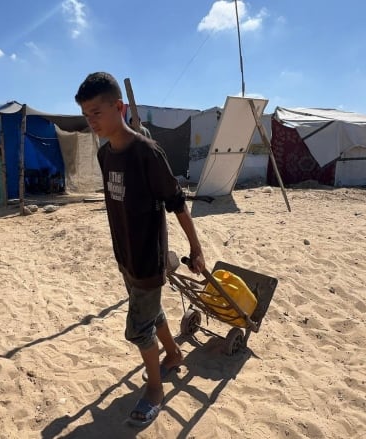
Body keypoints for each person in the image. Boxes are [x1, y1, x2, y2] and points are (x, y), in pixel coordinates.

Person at [74, 72, 206, 427]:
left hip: (149, 258)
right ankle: (174, 353)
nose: (92, 121)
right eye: (86, 115)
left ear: (120, 107)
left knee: (137, 329)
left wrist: (196, 248)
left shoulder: (147, 153)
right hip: (125, 255)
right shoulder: (105, 157)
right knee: (149, 313)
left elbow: (176, 203)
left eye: (97, 112)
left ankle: (155, 390)